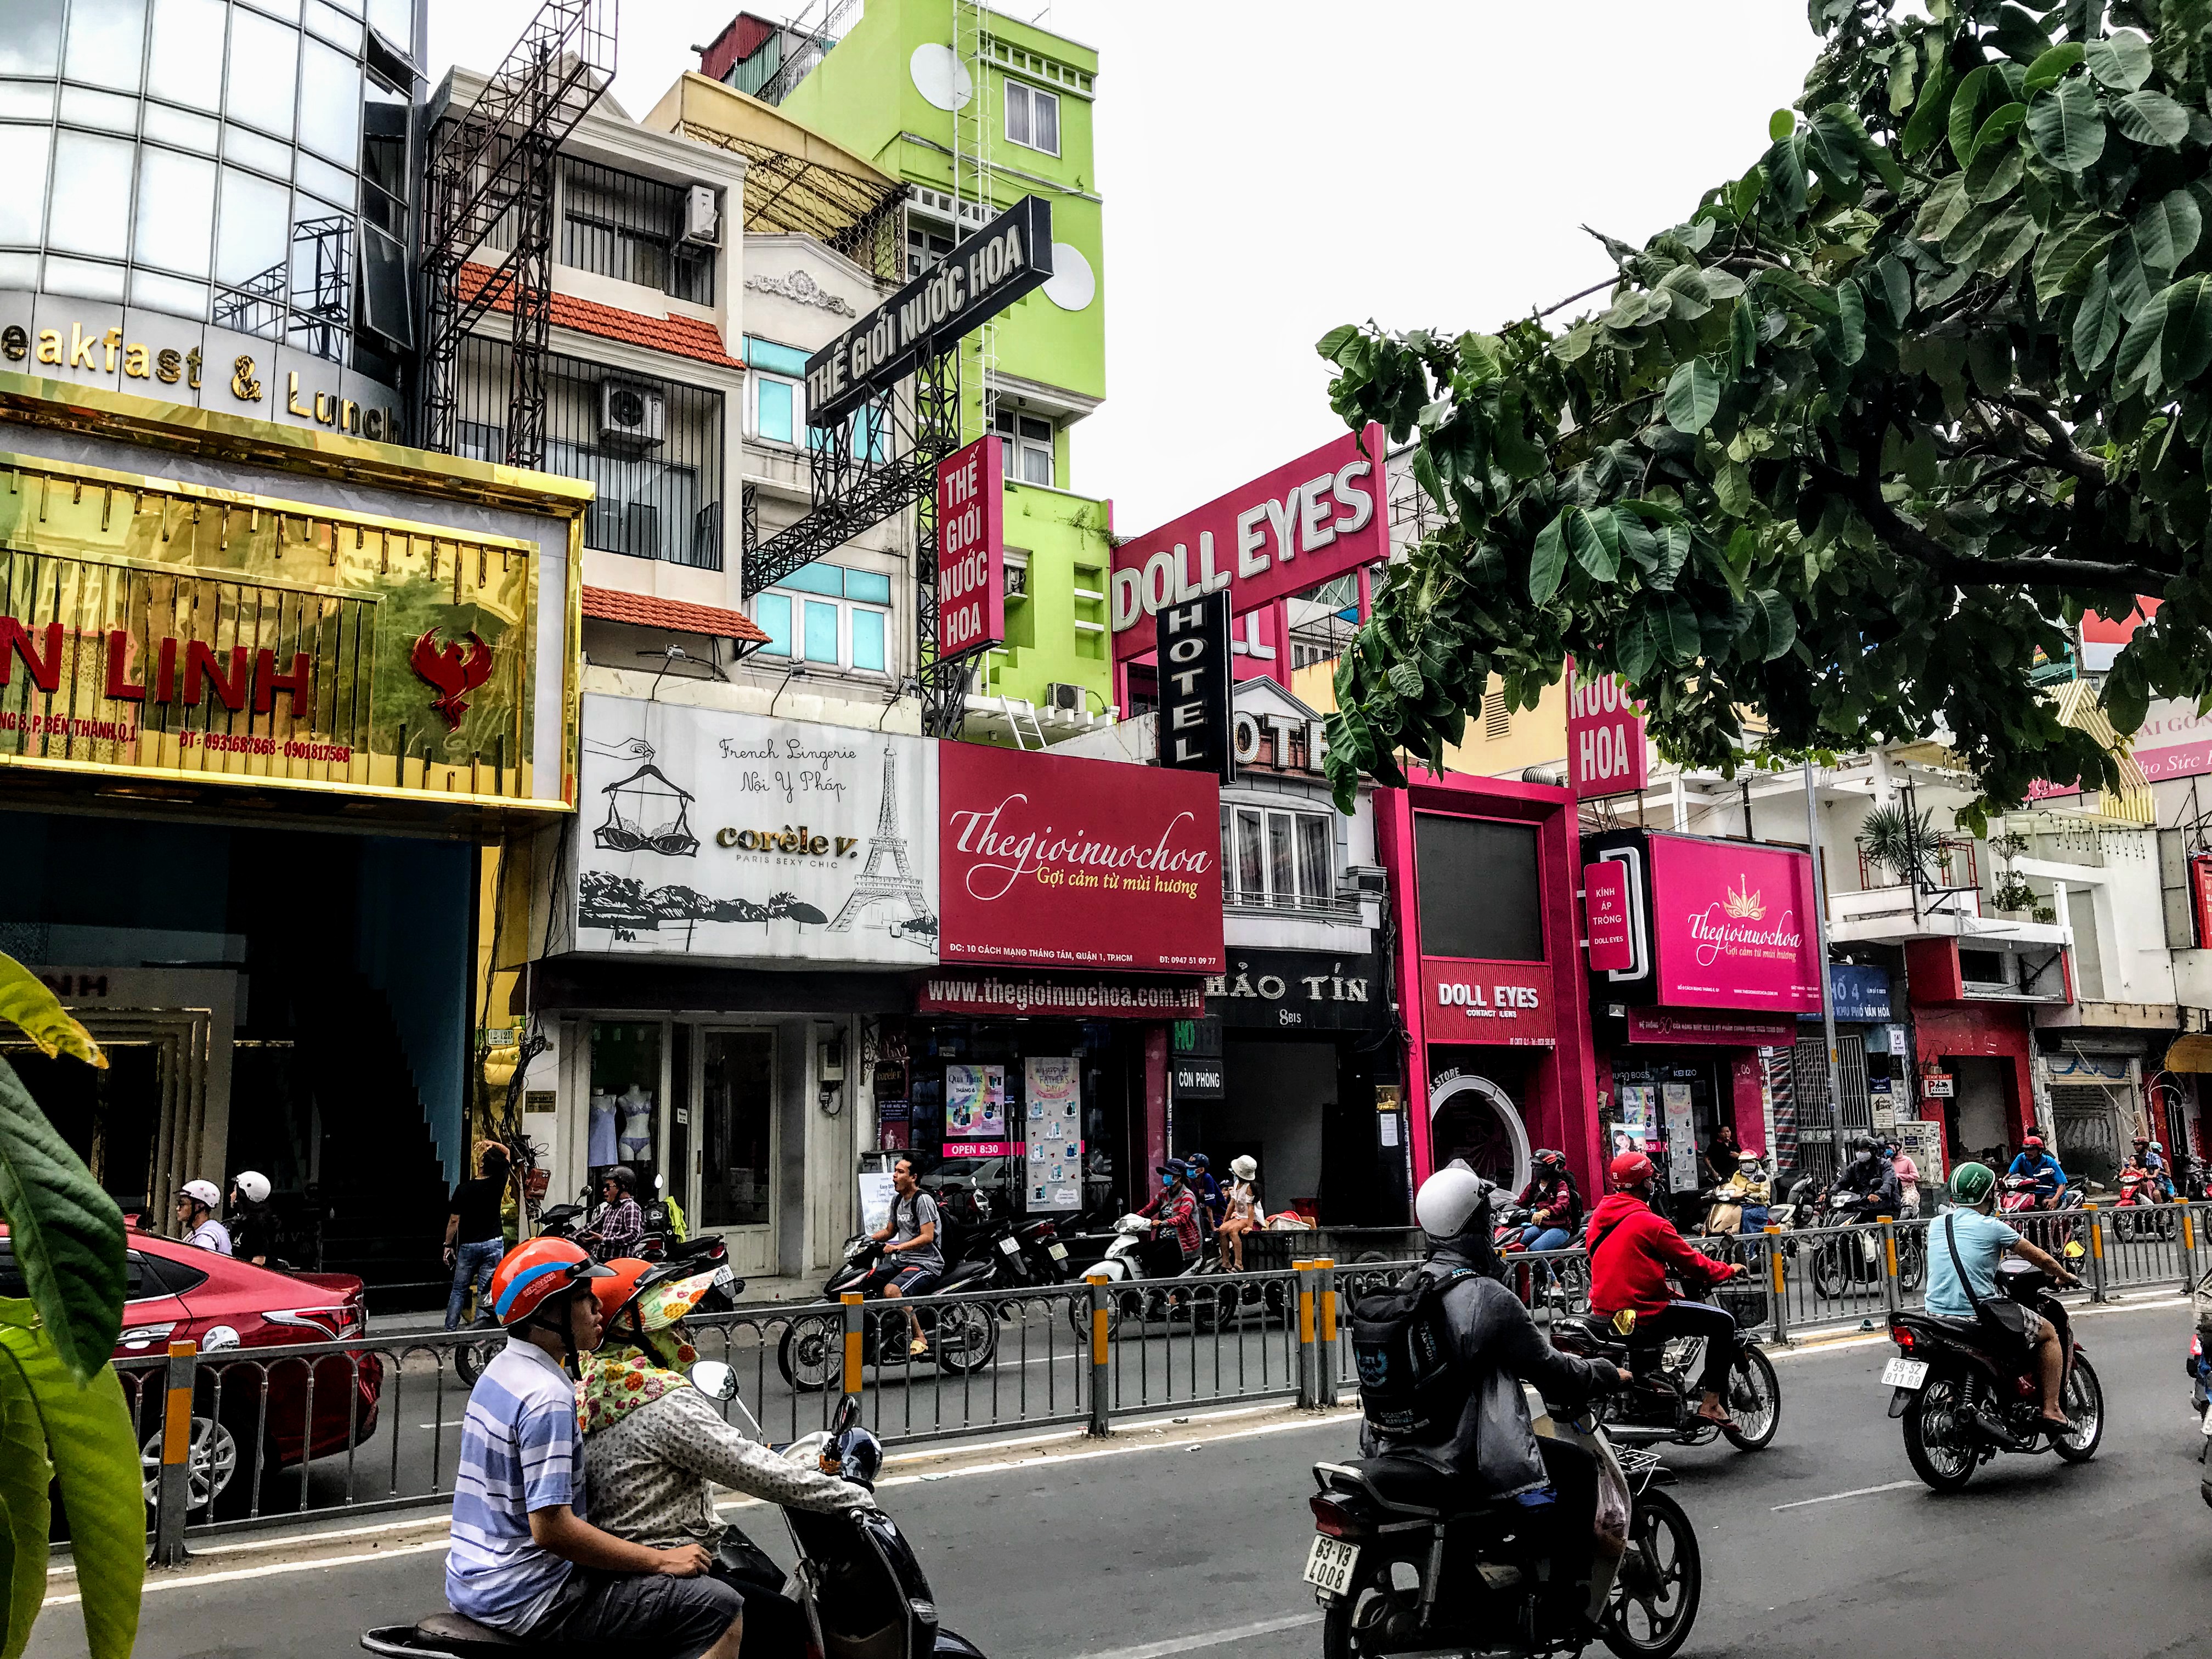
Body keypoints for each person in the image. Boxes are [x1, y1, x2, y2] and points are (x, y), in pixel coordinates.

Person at [445, 1238, 743, 1659]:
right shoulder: (547, 1396)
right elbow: (551, 1529)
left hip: (475, 1582)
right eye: (585, 1299)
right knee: (718, 1606)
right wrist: (662, 1561)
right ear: (548, 1312)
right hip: (531, 1597)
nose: (599, 1309)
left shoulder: (501, 1371)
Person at [1357, 1164, 1627, 1627]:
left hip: (1397, 1444)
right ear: (1472, 1228)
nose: (1492, 1228)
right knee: (1579, 1470)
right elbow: (1553, 1372)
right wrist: (1605, 1372)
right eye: (1486, 1219)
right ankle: (1566, 1604)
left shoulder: (1411, 1286)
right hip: (1464, 1453)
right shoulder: (1487, 1296)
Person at [580, 1259, 871, 1657]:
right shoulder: (660, 1400)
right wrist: (848, 1496)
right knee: (783, 1619)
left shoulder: (597, 1381)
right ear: (635, 1331)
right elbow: (749, 1469)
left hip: (625, 1561)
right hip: (667, 1560)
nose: (683, 1331)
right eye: (669, 1323)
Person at [1587, 1152, 1744, 1427]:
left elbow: (1619, 1256)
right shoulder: (1653, 1224)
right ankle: (1712, 1405)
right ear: (1646, 1184)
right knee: (1723, 1323)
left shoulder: (1600, 1217)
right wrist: (1728, 1269)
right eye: (1651, 1179)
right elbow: (1696, 1265)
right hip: (1643, 1311)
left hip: (1605, 1311)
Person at [1924, 1161, 2080, 1433]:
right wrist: (2064, 1275)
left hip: (1934, 1315)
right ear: (1988, 1195)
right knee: (2048, 1333)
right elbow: (2040, 1257)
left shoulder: (1937, 1224)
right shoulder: (1993, 1227)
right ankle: (2052, 1409)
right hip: (1977, 1315)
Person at [867, 1155, 942, 1357]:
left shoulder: (923, 1200)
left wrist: (898, 1248)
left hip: (926, 1263)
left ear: (913, 1177)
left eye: (901, 1172)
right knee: (866, 1279)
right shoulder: (898, 1200)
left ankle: (919, 1337)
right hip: (904, 1262)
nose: (894, 1176)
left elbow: (927, 1237)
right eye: (895, 1171)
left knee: (892, 1291)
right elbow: (890, 1231)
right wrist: (865, 1242)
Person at [446, 1143, 514, 1331]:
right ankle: (479, 1334)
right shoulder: (499, 1182)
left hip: (469, 1245)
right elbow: (508, 1153)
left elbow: (454, 1221)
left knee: (459, 1289)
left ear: (482, 1164)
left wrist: (448, 1244)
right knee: (485, 1291)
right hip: (493, 1242)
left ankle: (450, 1330)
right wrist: (494, 1144)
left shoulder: (463, 1189)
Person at [1136, 1159, 1203, 1279]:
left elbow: (1182, 1218)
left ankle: (1158, 1293)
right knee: (1141, 1253)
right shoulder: (1164, 1193)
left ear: (1178, 1177)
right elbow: (1148, 1210)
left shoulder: (1188, 1196)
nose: (1165, 1177)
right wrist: (1133, 1219)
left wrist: (1162, 1223)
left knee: (1159, 1257)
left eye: (1169, 1174)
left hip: (1182, 1242)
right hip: (1165, 1239)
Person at [1514, 1150, 1583, 1253]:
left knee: (1535, 1250)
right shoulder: (1533, 1186)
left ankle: (1547, 1270)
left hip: (1560, 1228)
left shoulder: (1560, 1185)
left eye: (1538, 1166)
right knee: (1514, 1243)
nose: (1534, 1169)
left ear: (1549, 1167)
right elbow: (1521, 1203)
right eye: (1533, 1165)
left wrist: (1544, 1212)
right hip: (1540, 1226)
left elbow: (1562, 1205)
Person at [1831, 1136, 1903, 1220]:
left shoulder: (1885, 1165)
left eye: (1864, 1150)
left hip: (1885, 1207)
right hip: (1862, 1207)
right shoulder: (1854, 1167)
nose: (1860, 1153)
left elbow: (1889, 1183)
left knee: (1884, 1230)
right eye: (1858, 1150)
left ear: (1873, 1151)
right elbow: (1842, 1183)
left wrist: (1878, 1195)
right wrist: (1830, 1193)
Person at [580, 1166, 645, 1260]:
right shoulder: (610, 1209)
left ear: (622, 1187)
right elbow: (591, 1227)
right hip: (601, 1264)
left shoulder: (630, 1208)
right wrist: (567, 1240)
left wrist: (604, 1240)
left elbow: (633, 1236)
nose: (604, 1191)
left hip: (618, 1267)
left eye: (608, 1187)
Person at [1217, 1154, 1265, 1271]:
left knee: (1233, 1231)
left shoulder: (1249, 1187)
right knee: (1223, 1230)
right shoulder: (1236, 1184)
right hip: (1239, 1216)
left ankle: (1239, 1263)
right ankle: (1226, 1261)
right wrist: (1225, 1220)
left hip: (1249, 1218)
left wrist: (1250, 1226)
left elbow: (1250, 1208)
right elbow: (1232, 1204)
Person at [1708, 1153, 1772, 1236]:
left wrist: (1756, 1196)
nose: (1747, 1165)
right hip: (1739, 1205)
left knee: (1746, 1218)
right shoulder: (1737, 1174)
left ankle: (1750, 1244)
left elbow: (1766, 1193)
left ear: (1756, 1163)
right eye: (1744, 1162)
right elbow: (1731, 1187)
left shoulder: (1762, 1176)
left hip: (1756, 1206)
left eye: (1750, 1162)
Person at [227, 1170, 276, 1266]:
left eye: (235, 1191)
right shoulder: (241, 1222)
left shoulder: (257, 1225)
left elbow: (259, 1260)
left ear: (243, 1194)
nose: (232, 1195)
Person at [2006, 1135, 2067, 1209]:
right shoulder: (2021, 1158)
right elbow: (2010, 1174)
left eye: (2031, 1150)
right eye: (2025, 1150)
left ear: (2040, 1151)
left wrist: (2055, 1200)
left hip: (2050, 1193)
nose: (2027, 1152)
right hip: (2031, 1194)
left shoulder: (2050, 1162)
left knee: (2046, 1204)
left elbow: (2062, 1185)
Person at [175, 1180, 232, 1255]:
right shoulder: (205, 1230)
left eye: (182, 1204)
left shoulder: (206, 1238)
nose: (178, 1208)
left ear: (199, 1206)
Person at [1186, 1152, 1225, 1232]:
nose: (1190, 1171)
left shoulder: (1207, 1178)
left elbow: (1209, 1206)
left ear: (1202, 1170)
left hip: (1217, 1216)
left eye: (1193, 1169)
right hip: (1202, 1214)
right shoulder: (1193, 1180)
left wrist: (1213, 1227)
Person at [1886, 1138, 1921, 1220]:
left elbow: (1915, 1176)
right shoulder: (1888, 1162)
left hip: (1907, 1190)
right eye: (1887, 1149)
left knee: (1907, 1205)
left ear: (1897, 1149)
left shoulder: (1907, 1160)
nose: (1888, 1151)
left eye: (1890, 1149)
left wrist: (1899, 1176)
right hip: (1893, 1190)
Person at [1701, 1124, 1742, 1188]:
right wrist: (1713, 1172)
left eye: (1728, 1132)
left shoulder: (1734, 1145)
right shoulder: (1714, 1146)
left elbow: (1743, 1156)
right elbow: (1706, 1159)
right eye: (1724, 1132)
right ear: (1719, 1134)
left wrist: (1738, 1155)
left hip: (1735, 1175)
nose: (1727, 1134)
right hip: (1722, 1176)